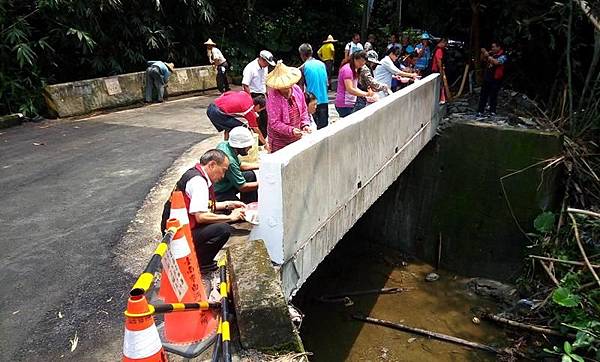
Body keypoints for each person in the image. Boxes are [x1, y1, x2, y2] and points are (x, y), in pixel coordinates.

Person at [160, 149, 245, 266]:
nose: (223, 175)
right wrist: (231, 217)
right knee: (223, 229)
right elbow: (201, 217)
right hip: (178, 235)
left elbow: (203, 205)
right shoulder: (198, 182)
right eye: (223, 171)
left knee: (222, 217)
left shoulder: (196, 173)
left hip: (177, 227)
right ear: (212, 165)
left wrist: (229, 204)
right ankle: (201, 263)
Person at [265, 61, 312, 152]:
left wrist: (305, 124)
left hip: (296, 136)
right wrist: (291, 130)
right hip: (279, 140)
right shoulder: (273, 96)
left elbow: (303, 110)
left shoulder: (297, 90)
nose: (287, 87)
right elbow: (274, 122)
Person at [215, 127, 259, 204]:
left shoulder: (224, 145)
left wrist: (260, 165)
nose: (250, 147)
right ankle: (247, 209)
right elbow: (243, 187)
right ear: (240, 147)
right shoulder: (230, 161)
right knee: (240, 209)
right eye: (248, 145)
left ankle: (250, 204)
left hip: (226, 182)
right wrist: (265, 183)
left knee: (249, 175)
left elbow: (239, 166)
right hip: (220, 192)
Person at [242, 50, 276, 142]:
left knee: (265, 118)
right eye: (267, 63)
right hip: (253, 95)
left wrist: (267, 95)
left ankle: (262, 140)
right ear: (261, 59)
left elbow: (264, 82)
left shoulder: (264, 68)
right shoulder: (250, 68)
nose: (267, 65)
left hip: (262, 94)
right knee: (256, 120)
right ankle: (257, 141)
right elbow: (245, 85)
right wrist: (249, 101)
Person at [298, 43, 329, 129]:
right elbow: (326, 83)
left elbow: (300, 88)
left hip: (311, 102)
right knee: (324, 129)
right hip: (324, 100)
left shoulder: (303, 67)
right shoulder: (322, 64)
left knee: (314, 129)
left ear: (302, 55)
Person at [335, 51, 374, 117]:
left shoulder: (354, 69)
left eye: (363, 62)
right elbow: (350, 89)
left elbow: (354, 87)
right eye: (360, 61)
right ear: (354, 59)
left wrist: (366, 94)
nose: (362, 63)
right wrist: (366, 94)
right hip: (345, 104)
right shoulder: (347, 70)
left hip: (350, 103)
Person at [477, 42, 508, 116]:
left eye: (494, 47)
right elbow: (482, 59)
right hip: (487, 77)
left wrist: (488, 56)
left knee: (493, 95)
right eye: (492, 47)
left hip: (496, 79)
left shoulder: (504, 56)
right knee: (483, 95)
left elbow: (496, 62)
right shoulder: (491, 54)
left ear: (499, 47)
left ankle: (492, 111)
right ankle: (480, 111)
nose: (492, 49)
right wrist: (483, 53)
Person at [431, 38, 448, 103]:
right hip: (436, 70)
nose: (445, 45)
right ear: (441, 43)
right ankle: (440, 99)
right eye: (445, 43)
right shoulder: (439, 50)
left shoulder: (435, 49)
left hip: (436, 69)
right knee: (439, 85)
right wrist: (441, 70)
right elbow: (438, 61)